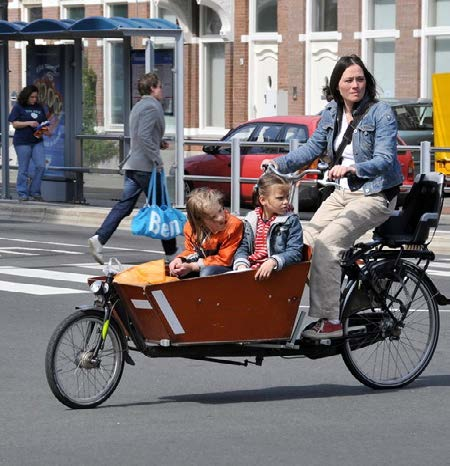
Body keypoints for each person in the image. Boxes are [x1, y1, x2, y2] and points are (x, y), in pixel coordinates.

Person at [263, 54, 403, 340]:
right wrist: (280, 164)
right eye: (349, 80)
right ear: (337, 85)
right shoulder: (331, 112)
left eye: (360, 79)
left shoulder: (381, 112)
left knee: (327, 245)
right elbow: (313, 147)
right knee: (300, 242)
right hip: (342, 193)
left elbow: (386, 159)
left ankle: (330, 320)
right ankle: (294, 307)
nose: (356, 85)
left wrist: (354, 167)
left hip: (375, 194)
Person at [88, 72, 178, 265]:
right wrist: (157, 159)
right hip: (145, 167)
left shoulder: (138, 106)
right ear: (153, 88)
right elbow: (144, 137)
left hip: (133, 164)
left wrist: (158, 141)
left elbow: (141, 135)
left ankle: (99, 239)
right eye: (160, 86)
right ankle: (171, 252)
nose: (162, 90)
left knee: (125, 205)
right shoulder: (153, 107)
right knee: (162, 207)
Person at [233, 171, 303, 280]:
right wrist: (241, 264)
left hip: (276, 272)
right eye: (280, 198)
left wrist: (273, 261)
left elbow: (295, 252)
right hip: (251, 270)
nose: (286, 202)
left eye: (287, 197)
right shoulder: (252, 219)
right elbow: (243, 246)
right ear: (263, 200)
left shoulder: (290, 220)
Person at [168, 187, 243, 278]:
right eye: (213, 217)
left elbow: (225, 259)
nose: (221, 218)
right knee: (177, 271)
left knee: (207, 273)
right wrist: (180, 259)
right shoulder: (190, 228)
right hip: (204, 263)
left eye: (220, 210)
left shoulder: (233, 225)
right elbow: (191, 250)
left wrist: (193, 266)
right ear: (200, 222)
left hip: (227, 267)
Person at [8, 85, 47, 202]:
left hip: (37, 141)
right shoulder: (18, 107)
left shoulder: (39, 107)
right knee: (23, 168)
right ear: (26, 96)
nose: (34, 99)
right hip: (22, 142)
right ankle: (22, 193)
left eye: (36, 97)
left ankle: (35, 191)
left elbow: (43, 122)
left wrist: (43, 129)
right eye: (32, 97)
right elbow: (15, 124)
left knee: (41, 166)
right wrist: (29, 123)